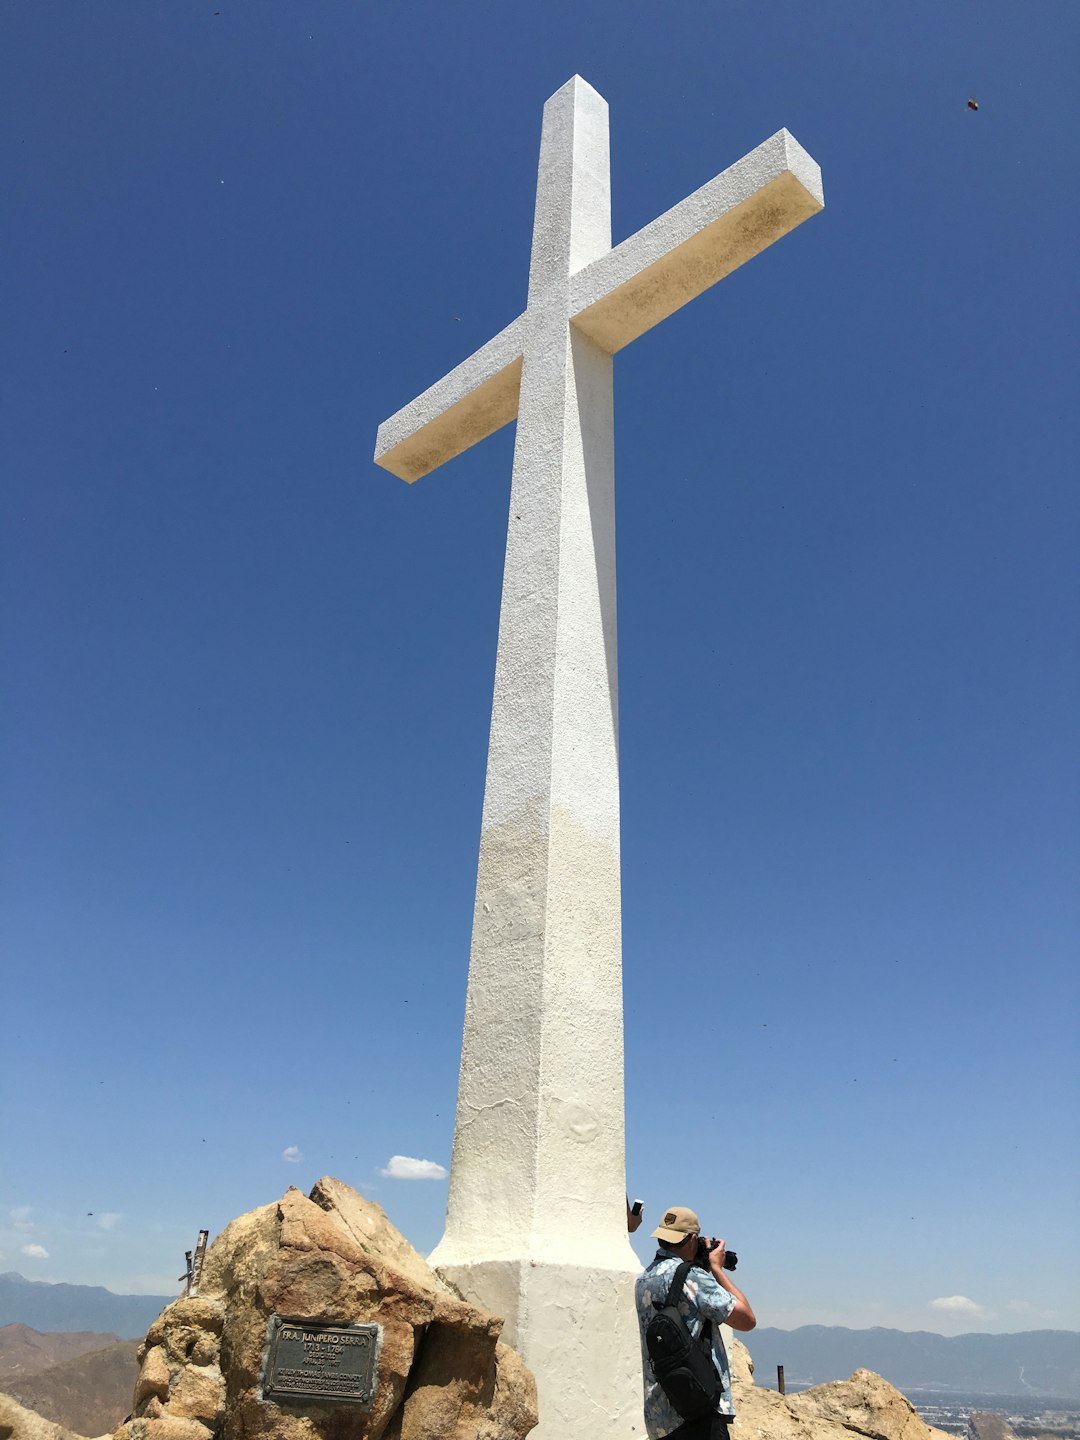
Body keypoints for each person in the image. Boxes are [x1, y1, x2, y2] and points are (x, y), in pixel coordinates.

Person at [635, 1204, 757, 1440]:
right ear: (692, 1238)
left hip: (660, 1412)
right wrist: (716, 1269)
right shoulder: (691, 1277)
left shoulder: (644, 1279)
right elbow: (746, 1319)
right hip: (696, 1410)